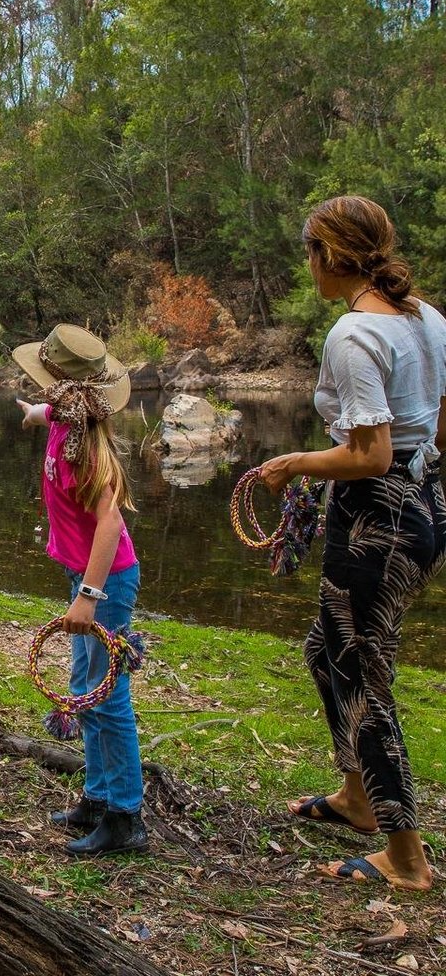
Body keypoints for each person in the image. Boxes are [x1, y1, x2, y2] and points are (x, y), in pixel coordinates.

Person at [259, 195, 446, 892]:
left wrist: (295, 464)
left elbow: (367, 454)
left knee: (365, 675)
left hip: (377, 516)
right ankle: (357, 798)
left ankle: (406, 856)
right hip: (424, 503)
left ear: (327, 255)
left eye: (309, 253)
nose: (308, 266)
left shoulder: (354, 334)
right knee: (324, 649)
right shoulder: (428, 319)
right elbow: (437, 429)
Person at [14, 323, 148, 857]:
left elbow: (110, 523)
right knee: (85, 689)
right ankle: (95, 798)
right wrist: (31, 412)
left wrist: (88, 595)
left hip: (106, 582)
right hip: (84, 576)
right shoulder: (66, 417)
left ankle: (125, 817)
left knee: (108, 697)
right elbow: (48, 412)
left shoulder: (86, 450)